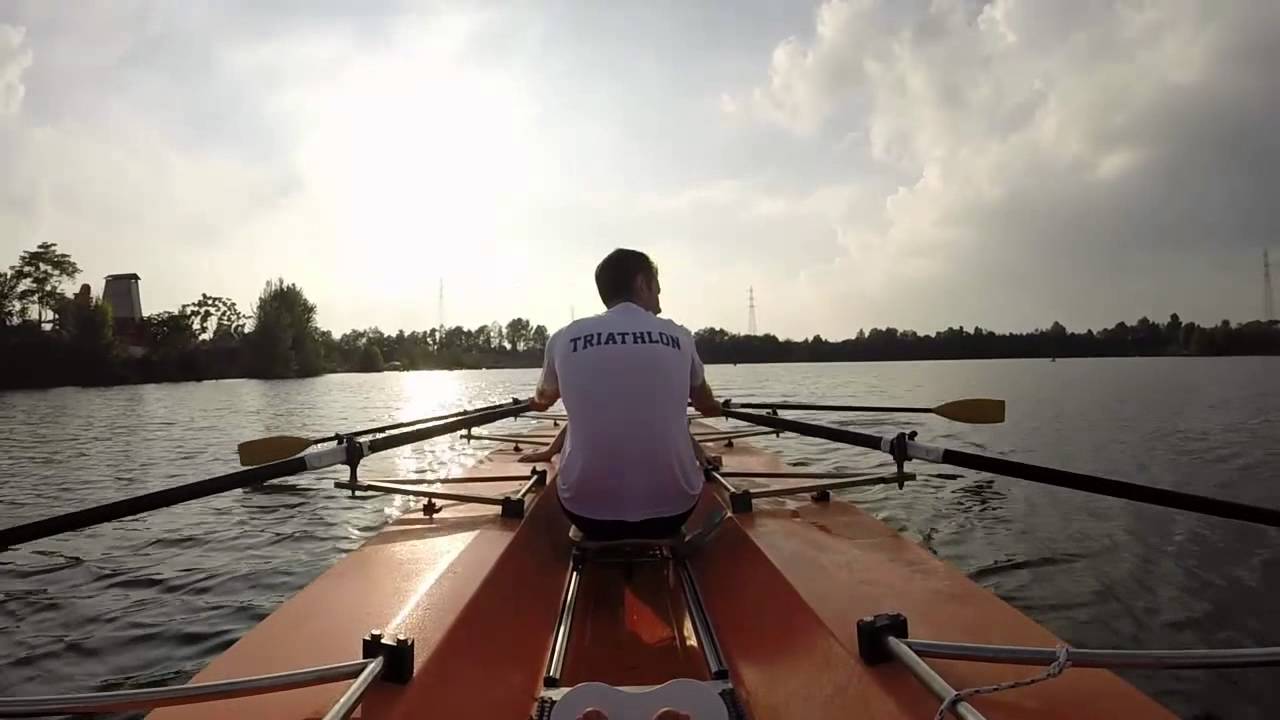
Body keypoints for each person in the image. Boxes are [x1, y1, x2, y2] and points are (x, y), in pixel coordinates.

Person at [528, 248, 722, 540]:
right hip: (674, 511)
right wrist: (715, 406)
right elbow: (706, 406)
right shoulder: (680, 336)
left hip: (586, 513)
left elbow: (543, 401)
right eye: (657, 290)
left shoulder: (563, 337)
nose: (659, 303)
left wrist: (536, 401)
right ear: (642, 283)